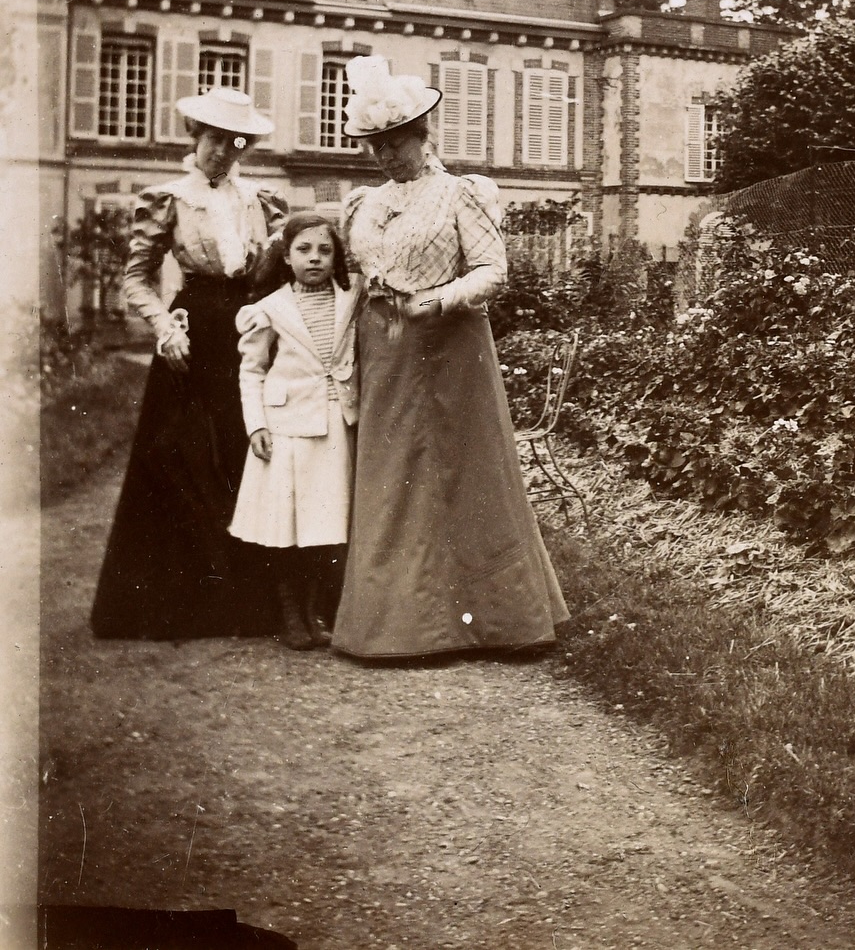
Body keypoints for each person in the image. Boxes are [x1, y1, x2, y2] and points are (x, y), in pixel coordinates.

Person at [331, 55, 569, 659]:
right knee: (393, 478)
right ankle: (398, 623)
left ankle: (496, 621)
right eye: (374, 146)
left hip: (452, 345)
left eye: (395, 142)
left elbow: (493, 270)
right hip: (383, 350)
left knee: (468, 474)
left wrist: (437, 301)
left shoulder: (462, 194)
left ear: (421, 135)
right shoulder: (362, 204)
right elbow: (355, 278)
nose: (385, 155)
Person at [91, 86, 288, 639]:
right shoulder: (168, 199)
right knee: (180, 456)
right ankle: (175, 603)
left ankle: (249, 605)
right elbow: (136, 278)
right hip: (191, 331)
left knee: (244, 450)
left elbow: (273, 274)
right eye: (215, 140)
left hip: (246, 328)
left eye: (235, 142)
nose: (224, 152)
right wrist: (162, 327)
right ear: (195, 138)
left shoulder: (262, 203)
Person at [232, 213, 358, 651]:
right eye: (304, 250)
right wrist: (257, 425)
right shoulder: (269, 309)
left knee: (326, 525)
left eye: (325, 250)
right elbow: (252, 371)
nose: (315, 258)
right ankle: (290, 613)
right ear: (286, 257)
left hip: (336, 426)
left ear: (337, 256)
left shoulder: (352, 299)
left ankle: (316, 611)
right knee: (288, 525)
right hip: (287, 428)